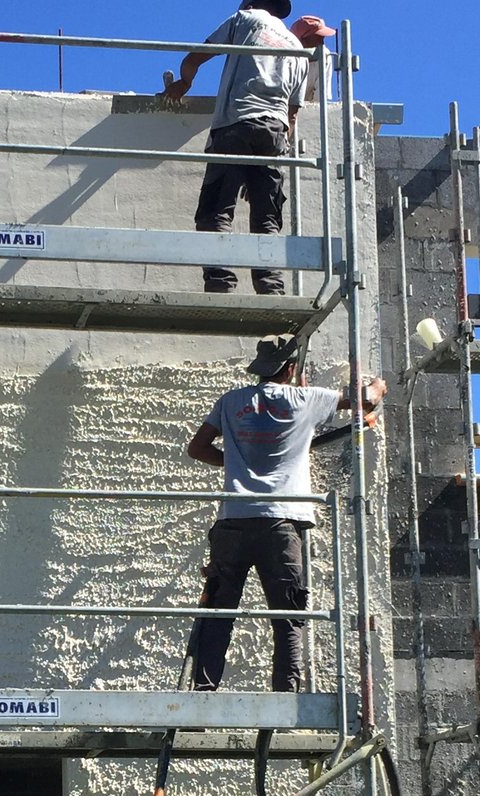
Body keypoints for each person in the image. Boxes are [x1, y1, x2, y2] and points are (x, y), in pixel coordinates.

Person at [185, 334, 386, 692]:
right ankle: (285, 698)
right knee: (288, 617)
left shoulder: (231, 401)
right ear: (291, 369)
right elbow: (365, 403)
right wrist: (377, 384)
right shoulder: (306, 399)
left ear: (261, 370)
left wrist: (235, 463)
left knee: (218, 612)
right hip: (280, 525)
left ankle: (203, 692)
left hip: (233, 521)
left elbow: (197, 448)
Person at [161, 1, 308, 295]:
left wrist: (184, 83)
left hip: (236, 123)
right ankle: (271, 290)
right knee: (266, 218)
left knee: (216, 211)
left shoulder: (246, 19)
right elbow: (292, 117)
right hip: (275, 133)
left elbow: (196, 57)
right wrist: (260, 163)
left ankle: (219, 284)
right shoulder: (298, 48)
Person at [290, 14, 336, 104]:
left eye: (322, 38)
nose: (322, 43)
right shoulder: (284, 58)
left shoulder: (324, 56)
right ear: (302, 40)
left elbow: (320, 99)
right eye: (317, 38)